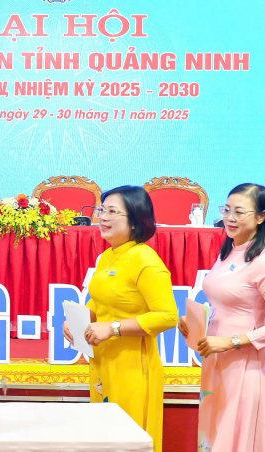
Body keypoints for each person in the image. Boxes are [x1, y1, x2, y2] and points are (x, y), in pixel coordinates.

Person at [178, 184, 265, 451]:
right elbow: (225, 305)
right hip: (216, 359)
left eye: (239, 212)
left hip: (245, 364)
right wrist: (195, 326)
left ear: (261, 217)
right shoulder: (230, 249)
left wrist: (230, 341)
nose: (230, 218)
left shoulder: (264, 261)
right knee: (215, 437)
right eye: (227, 210)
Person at [64, 185, 177, 452]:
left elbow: (167, 316)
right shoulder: (108, 256)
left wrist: (113, 328)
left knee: (127, 440)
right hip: (104, 362)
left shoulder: (146, 261)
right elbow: (101, 301)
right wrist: (79, 320)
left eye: (113, 212)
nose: (102, 217)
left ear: (135, 221)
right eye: (101, 209)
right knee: (104, 438)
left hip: (133, 368)